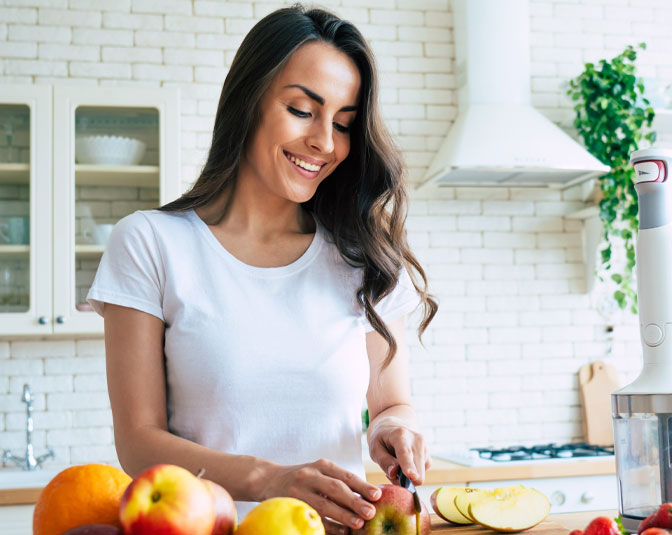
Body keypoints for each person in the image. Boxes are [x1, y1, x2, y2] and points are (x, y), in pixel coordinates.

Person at [86, 5, 438, 533]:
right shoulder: (151, 243)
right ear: (248, 99)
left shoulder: (363, 256)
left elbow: (392, 403)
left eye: (343, 124)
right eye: (302, 110)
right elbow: (138, 442)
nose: (325, 142)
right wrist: (271, 479)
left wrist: (396, 429)